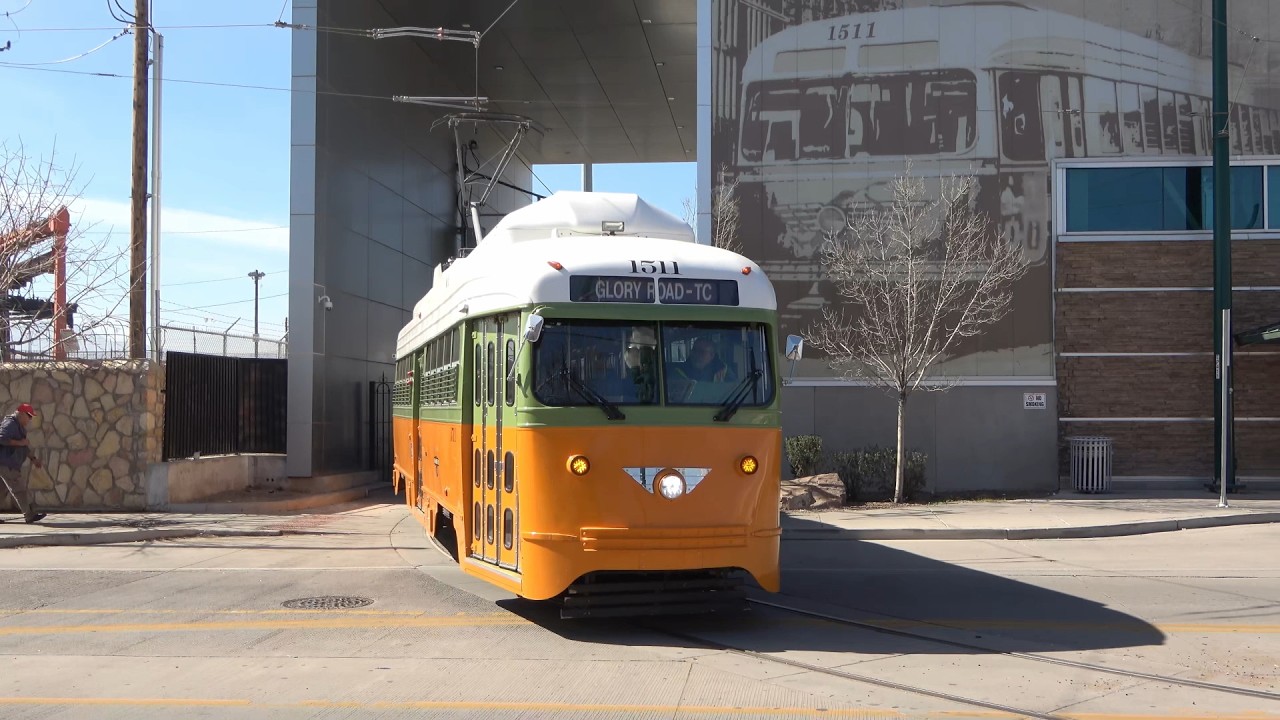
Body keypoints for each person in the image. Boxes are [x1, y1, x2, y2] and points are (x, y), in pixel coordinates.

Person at [0, 403, 46, 524]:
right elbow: (1, 438)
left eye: (31, 417)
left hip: (6, 463)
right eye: (29, 416)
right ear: (21, 413)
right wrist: (20, 443)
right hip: (6, 464)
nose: (30, 419)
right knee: (19, 489)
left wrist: (34, 459)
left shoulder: (18, 426)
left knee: (1, 490)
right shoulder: (10, 424)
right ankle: (29, 515)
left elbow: (24, 447)